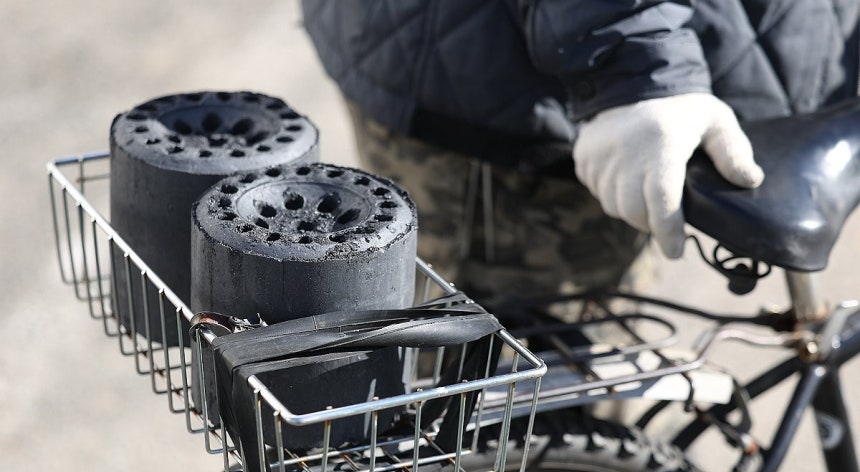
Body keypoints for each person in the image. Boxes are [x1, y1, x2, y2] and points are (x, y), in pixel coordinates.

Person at [301, 0, 860, 307]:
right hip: (520, 93)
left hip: (687, 73)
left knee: (614, 396)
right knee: (500, 464)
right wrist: (635, 63)